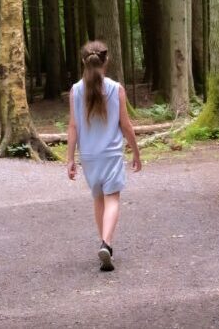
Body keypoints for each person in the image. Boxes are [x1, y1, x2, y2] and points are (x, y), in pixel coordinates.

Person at [66, 41, 141, 272]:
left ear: (83, 62)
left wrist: (70, 159)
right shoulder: (115, 89)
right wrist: (136, 151)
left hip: (88, 156)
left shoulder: (75, 90)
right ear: (106, 61)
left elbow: (73, 127)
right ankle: (106, 244)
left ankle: (105, 245)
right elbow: (126, 125)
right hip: (111, 154)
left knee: (99, 199)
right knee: (113, 199)